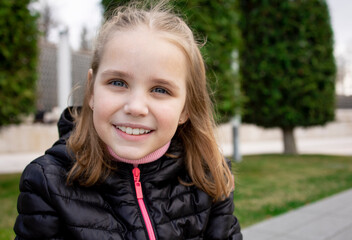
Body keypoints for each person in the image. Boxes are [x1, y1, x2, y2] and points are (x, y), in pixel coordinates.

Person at [14, 1, 242, 239]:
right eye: (118, 83)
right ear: (92, 90)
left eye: (160, 90)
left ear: (186, 108)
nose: (135, 107)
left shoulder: (210, 176)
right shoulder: (46, 183)